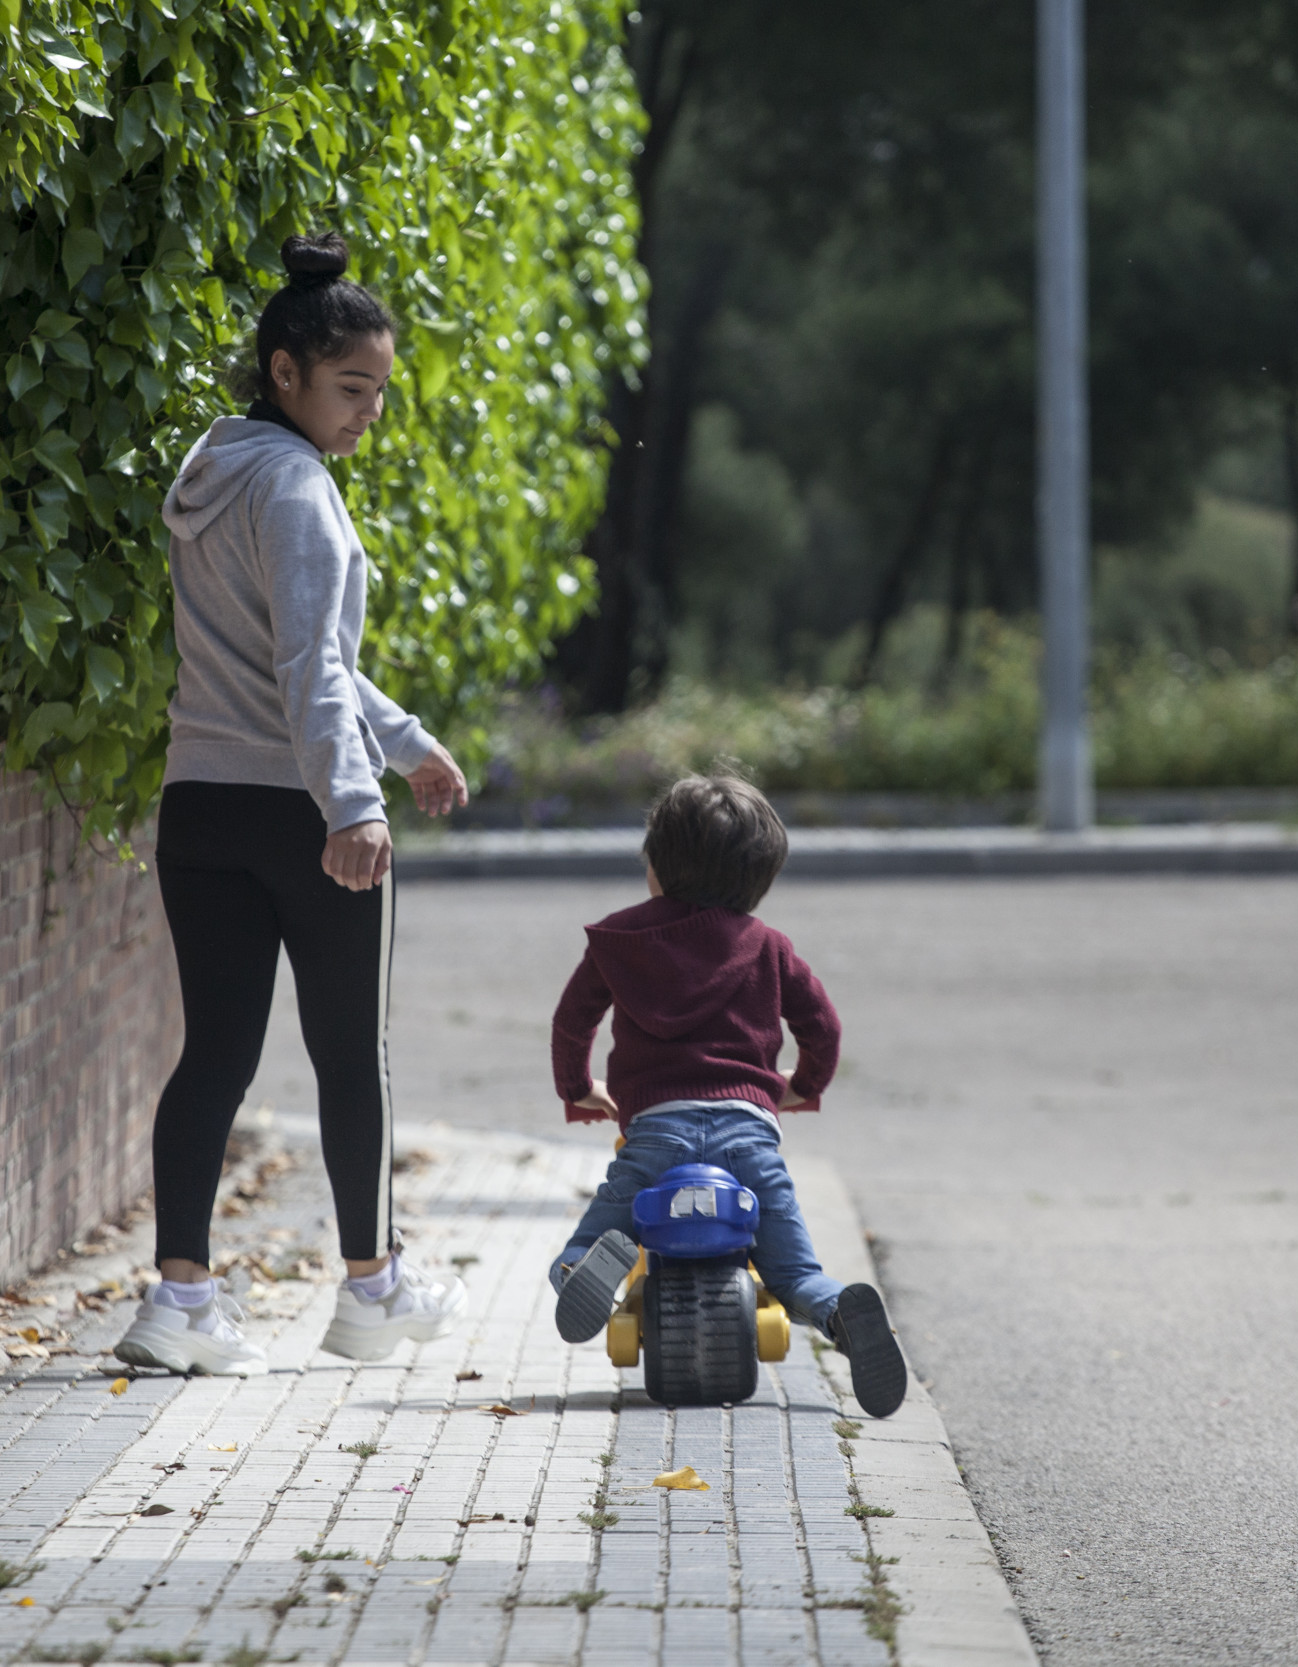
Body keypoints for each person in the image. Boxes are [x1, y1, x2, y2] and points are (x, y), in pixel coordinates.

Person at [116, 231, 470, 1378]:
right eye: (350, 387)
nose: (367, 411)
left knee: (213, 1050)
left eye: (379, 389)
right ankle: (371, 1288)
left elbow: (296, 655)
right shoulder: (303, 492)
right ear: (284, 371)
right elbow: (309, 670)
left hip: (200, 806)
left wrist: (406, 742)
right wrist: (353, 803)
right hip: (299, 815)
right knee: (346, 1054)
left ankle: (180, 1302)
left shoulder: (212, 474)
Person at [546, 774, 910, 1417]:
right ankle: (839, 1313)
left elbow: (573, 1022)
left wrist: (580, 1090)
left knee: (588, 1240)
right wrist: (800, 1088)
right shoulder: (767, 945)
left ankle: (587, 1274)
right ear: (759, 879)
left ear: (655, 864)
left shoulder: (618, 940)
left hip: (654, 1134)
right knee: (793, 1273)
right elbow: (822, 1026)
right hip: (749, 1137)